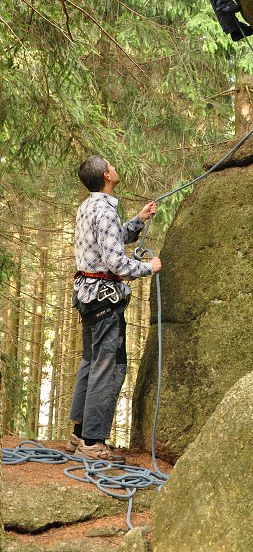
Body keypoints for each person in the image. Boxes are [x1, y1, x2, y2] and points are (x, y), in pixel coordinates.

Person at [66, 155, 162, 462]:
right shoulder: (104, 209)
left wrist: (138, 220)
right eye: (112, 165)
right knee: (108, 368)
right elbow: (115, 261)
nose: (116, 168)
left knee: (90, 362)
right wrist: (149, 267)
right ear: (107, 174)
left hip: (88, 295)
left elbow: (108, 241)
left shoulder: (88, 207)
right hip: (104, 298)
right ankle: (93, 442)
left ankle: (79, 435)